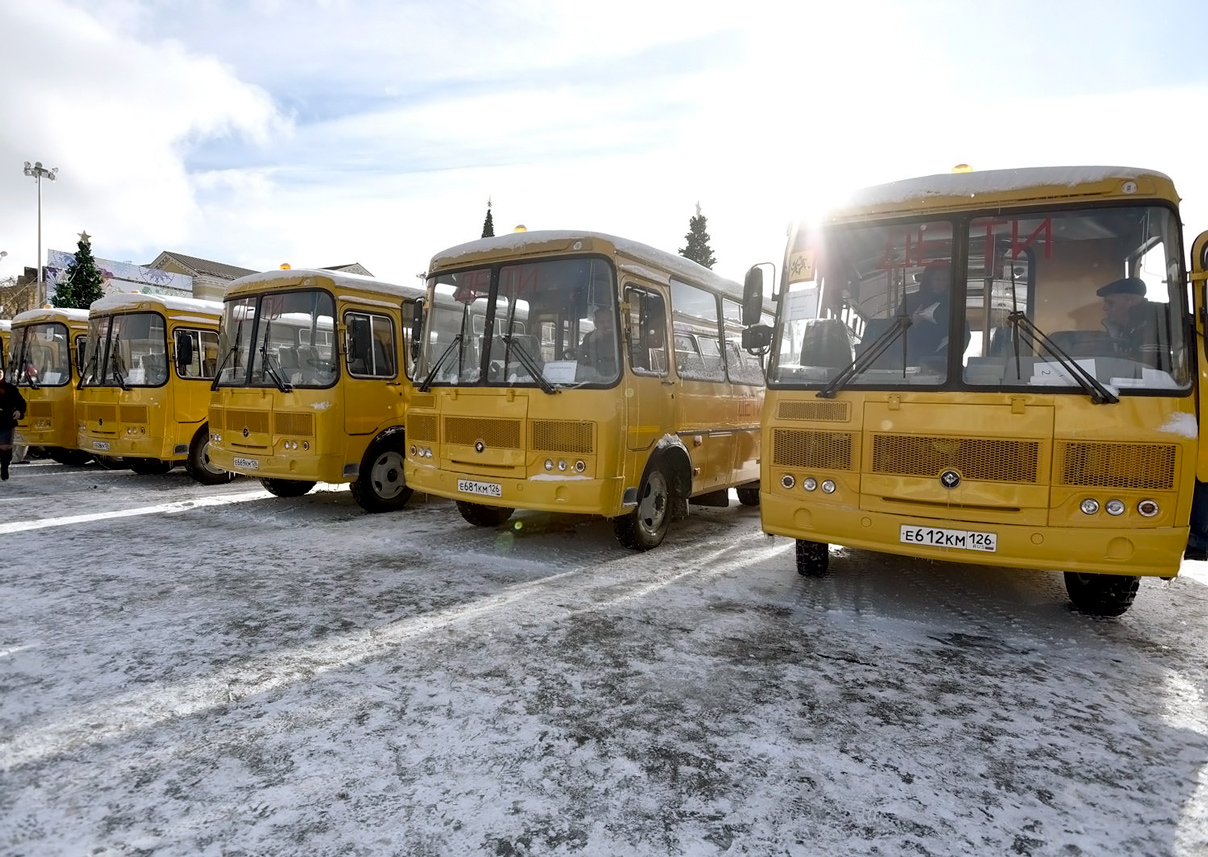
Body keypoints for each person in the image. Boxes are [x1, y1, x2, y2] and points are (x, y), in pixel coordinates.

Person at [1096, 276, 1167, 368]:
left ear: (1133, 301)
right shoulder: (1127, 327)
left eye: (1111, 303)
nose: (1104, 308)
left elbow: (1148, 370)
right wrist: (1114, 333)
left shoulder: (1152, 323)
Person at [897, 261, 952, 365]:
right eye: (937, 279)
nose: (941, 283)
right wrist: (913, 322)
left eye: (944, 280)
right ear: (929, 280)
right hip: (912, 362)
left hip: (944, 364)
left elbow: (963, 333)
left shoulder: (953, 304)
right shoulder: (910, 301)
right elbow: (896, 333)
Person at [0, 367, 27, 481]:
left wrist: (19, 412)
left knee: (5, 447)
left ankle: (4, 467)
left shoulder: (10, 388)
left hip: (7, 421)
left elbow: (21, 403)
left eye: (0, 372)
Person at [578, 306, 617, 376]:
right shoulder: (589, 337)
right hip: (594, 377)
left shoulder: (618, 337)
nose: (606, 325)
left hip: (615, 377)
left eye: (609, 321)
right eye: (602, 322)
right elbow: (579, 356)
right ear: (595, 323)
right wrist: (591, 341)